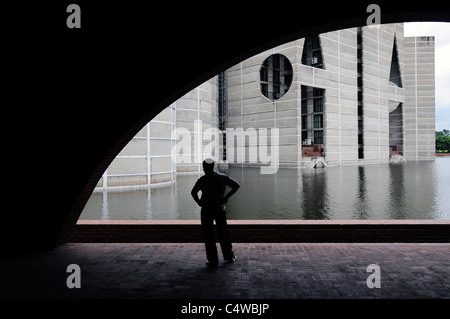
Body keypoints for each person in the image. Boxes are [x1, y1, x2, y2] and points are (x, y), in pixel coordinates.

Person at [191, 158, 240, 267]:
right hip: (219, 208)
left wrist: (199, 202)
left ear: (204, 168)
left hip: (206, 209)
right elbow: (236, 185)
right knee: (223, 233)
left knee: (208, 235)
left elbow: (193, 192)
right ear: (213, 167)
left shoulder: (202, 179)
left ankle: (212, 260)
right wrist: (226, 197)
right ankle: (229, 256)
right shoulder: (222, 177)